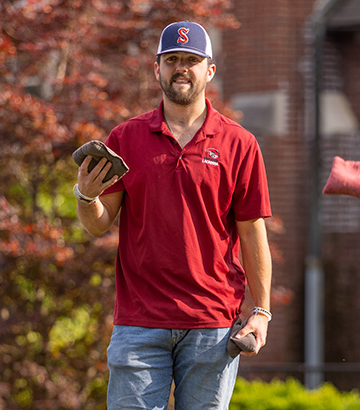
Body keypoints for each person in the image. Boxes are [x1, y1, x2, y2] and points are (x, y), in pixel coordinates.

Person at [74, 21, 273, 409]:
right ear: (157, 69)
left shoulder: (240, 144)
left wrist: (261, 311)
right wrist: (86, 195)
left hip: (212, 322)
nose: (181, 68)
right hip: (139, 320)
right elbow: (98, 223)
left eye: (191, 60)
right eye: (171, 60)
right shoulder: (125, 138)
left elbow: (252, 234)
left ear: (209, 70)